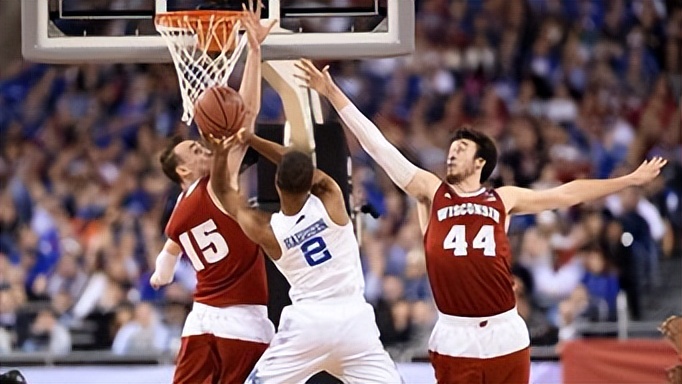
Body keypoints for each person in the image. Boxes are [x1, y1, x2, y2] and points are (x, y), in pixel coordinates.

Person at [295, 59, 668, 384]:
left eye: (461, 150)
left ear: (480, 164)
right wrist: (333, 94)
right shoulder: (431, 191)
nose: (451, 154)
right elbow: (379, 147)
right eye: (451, 149)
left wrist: (628, 180)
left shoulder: (502, 199)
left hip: (505, 329)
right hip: (455, 332)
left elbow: (569, 193)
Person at [208, 128, 401, 383]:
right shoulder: (331, 197)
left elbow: (223, 193)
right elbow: (293, 162)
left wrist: (222, 152)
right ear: (310, 178)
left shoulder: (268, 232)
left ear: (277, 184)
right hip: (354, 322)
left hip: (307, 327)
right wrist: (252, 139)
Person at [149, 3, 277, 383]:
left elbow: (247, 113)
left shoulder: (199, 197)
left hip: (220, 318)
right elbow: (247, 111)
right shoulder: (203, 193)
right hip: (224, 319)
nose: (201, 147)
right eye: (193, 150)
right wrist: (254, 51)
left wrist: (161, 274)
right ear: (183, 171)